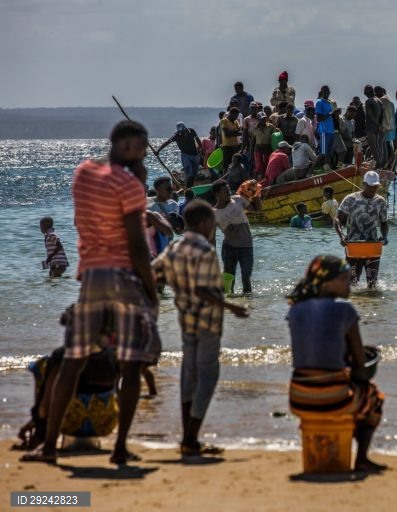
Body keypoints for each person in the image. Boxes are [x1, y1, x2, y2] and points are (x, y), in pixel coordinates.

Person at [22, 120, 162, 465]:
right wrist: (151, 287)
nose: (144, 155)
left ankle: (50, 446)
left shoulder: (83, 172)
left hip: (91, 278)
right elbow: (134, 244)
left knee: (73, 361)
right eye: (142, 149)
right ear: (129, 146)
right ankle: (118, 448)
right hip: (125, 278)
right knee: (130, 366)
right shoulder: (130, 184)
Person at [153, 199, 249, 456]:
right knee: (207, 377)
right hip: (207, 322)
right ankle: (191, 438)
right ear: (207, 223)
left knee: (189, 376)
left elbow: (154, 274)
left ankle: (188, 438)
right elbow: (202, 290)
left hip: (185, 320)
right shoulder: (205, 250)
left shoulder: (176, 246)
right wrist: (232, 307)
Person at [287, 255, 386, 472]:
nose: (350, 282)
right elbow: (360, 363)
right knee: (374, 398)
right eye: (344, 279)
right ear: (327, 283)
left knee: (351, 391)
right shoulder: (345, 310)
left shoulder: (295, 310)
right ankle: (361, 458)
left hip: (298, 396)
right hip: (333, 396)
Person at [14, 342, 118, 452]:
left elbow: (44, 410)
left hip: (68, 423)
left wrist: (36, 420)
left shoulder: (62, 354)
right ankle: (120, 443)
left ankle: (41, 433)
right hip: (105, 424)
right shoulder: (110, 354)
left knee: (41, 365)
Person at [335, 171, 389, 288]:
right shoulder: (350, 199)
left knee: (372, 283)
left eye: (375, 186)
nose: (373, 189)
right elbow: (337, 220)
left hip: (372, 246)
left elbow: (384, 223)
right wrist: (341, 236)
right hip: (353, 246)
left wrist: (384, 237)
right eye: (370, 186)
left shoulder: (380, 201)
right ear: (364, 184)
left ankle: (371, 304)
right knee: (351, 283)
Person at [212, 179, 261, 294]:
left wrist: (256, 192)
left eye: (229, 191)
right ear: (217, 194)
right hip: (229, 248)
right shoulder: (213, 213)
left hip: (246, 247)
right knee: (229, 280)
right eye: (225, 192)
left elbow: (257, 210)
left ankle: (248, 306)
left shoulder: (238, 200)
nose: (229, 193)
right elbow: (212, 236)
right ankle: (229, 306)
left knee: (246, 278)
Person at [156, 122, 203, 188]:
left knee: (194, 175)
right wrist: (158, 150)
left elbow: (197, 139)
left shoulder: (191, 131)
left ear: (185, 128)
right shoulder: (176, 135)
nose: (181, 133)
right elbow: (167, 142)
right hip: (185, 155)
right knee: (190, 174)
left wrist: (201, 149)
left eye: (182, 131)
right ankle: (187, 189)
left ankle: (189, 188)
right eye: (180, 132)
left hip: (195, 155)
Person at [363, 85, 384, 168]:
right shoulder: (379, 100)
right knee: (378, 146)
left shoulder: (368, 101)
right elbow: (382, 115)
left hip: (371, 127)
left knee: (373, 146)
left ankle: (378, 164)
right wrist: (380, 125)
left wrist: (377, 124)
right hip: (378, 126)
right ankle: (380, 162)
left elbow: (371, 116)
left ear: (367, 92)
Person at [250, 112, 276, 178]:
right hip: (258, 148)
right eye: (262, 119)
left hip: (267, 148)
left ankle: (267, 178)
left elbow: (274, 138)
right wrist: (251, 153)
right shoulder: (254, 129)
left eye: (264, 118)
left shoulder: (270, 126)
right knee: (258, 166)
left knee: (267, 164)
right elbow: (253, 141)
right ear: (258, 119)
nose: (264, 120)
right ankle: (257, 179)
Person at [375, 86, 395, 166]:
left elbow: (381, 114)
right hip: (390, 126)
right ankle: (388, 163)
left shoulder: (383, 100)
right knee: (386, 144)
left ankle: (383, 162)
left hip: (384, 125)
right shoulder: (390, 100)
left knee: (383, 145)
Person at [315, 85, 335, 158]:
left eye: (327, 91)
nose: (326, 93)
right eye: (324, 91)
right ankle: (316, 167)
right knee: (323, 153)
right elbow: (319, 118)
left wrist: (335, 113)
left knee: (329, 153)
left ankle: (327, 167)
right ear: (322, 92)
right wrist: (331, 113)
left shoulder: (329, 103)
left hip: (331, 132)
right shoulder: (319, 102)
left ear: (329, 92)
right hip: (324, 131)